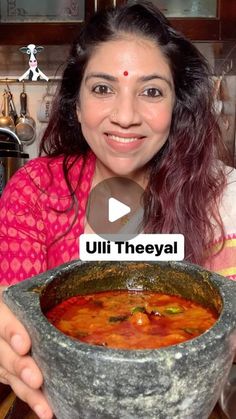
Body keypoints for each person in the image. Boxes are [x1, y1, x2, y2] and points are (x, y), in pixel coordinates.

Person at [0, 1, 235, 417]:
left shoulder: (223, 197)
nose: (125, 116)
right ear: (75, 103)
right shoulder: (36, 190)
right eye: (103, 88)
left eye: (151, 91)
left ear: (176, 107)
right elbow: (10, 309)